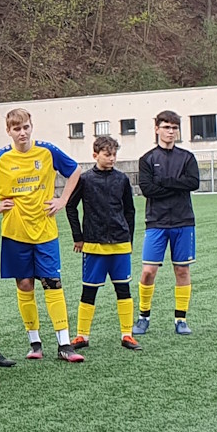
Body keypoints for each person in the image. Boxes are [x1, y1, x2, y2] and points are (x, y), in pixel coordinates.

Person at [0, 107, 80, 362]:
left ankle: (64, 344)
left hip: (45, 230)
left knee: (52, 282)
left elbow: (75, 170)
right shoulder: (0, 158)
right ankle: (35, 342)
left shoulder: (47, 151)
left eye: (25, 127)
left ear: (31, 127)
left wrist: (63, 200)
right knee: (24, 285)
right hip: (15, 232)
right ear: (8, 131)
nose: (22, 133)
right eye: (16, 129)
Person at [65, 135, 141, 357]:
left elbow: (130, 211)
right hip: (93, 245)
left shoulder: (122, 179)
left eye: (114, 154)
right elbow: (70, 207)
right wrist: (78, 236)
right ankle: (82, 335)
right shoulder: (85, 180)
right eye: (107, 155)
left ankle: (127, 334)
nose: (112, 159)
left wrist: (129, 239)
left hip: (120, 244)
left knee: (123, 289)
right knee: (89, 291)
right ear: (95, 155)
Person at [134, 110, 201, 336]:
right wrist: (177, 185)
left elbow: (193, 183)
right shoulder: (147, 159)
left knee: (182, 270)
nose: (170, 132)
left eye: (174, 128)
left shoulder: (187, 158)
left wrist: (164, 182)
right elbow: (148, 189)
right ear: (157, 129)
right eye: (166, 127)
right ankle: (143, 317)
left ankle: (180, 319)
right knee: (148, 271)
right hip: (156, 221)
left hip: (184, 221)